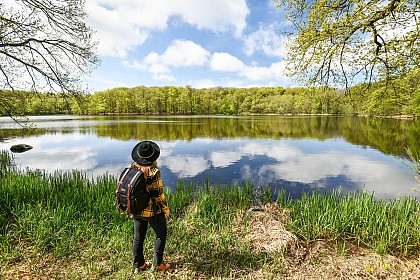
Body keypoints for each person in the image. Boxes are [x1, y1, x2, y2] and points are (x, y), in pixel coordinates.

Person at [129, 140, 170, 274]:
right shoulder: (153, 172)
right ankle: (158, 264)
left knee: (138, 237)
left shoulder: (132, 168)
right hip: (151, 211)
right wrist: (165, 208)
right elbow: (158, 194)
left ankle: (139, 265)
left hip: (136, 209)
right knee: (161, 234)